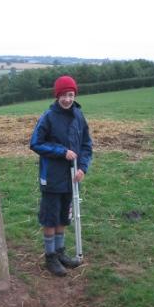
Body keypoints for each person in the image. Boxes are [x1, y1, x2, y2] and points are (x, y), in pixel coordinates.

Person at [30, 75, 93, 276]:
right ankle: (50, 257)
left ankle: (60, 252)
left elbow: (86, 145)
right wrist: (62, 151)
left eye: (70, 95)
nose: (67, 99)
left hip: (72, 178)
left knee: (63, 216)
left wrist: (82, 167)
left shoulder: (79, 116)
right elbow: (35, 143)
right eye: (63, 95)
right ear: (57, 96)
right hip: (52, 177)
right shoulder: (48, 117)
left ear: (74, 95)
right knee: (50, 217)